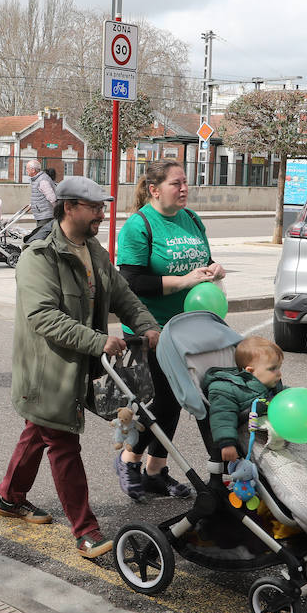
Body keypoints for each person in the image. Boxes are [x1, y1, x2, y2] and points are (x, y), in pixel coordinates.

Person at [0, 176, 160, 560]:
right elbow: (43, 316)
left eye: (103, 207)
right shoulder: (40, 254)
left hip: (78, 365)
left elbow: (121, 292)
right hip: (48, 371)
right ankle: (86, 530)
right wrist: (97, 341)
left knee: (38, 431)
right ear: (69, 207)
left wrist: (148, 325)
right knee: (63, 444)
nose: (102, 215)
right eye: (95, 208)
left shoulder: (92, 248)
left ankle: (10, 497)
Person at [114, 160, 224, 501]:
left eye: (185, 182)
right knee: (160, 403)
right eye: (177, 183)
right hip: (151, 329)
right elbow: (131, 282)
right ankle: (129, 458)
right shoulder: (139, 225)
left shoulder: (191, 219)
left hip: (191, 326)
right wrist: (184, 281)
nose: (184, 188)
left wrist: (212, 270)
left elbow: (200, 261)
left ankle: (155, 471)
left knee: (179, 401)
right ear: (154, 189)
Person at [202, 336, 285, 465]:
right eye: (273, 368)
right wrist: (227, 443)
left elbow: (288, 397)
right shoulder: (226, 389)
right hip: (251, 437)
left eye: (279, 367)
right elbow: (223, 416)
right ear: (251, 371)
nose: (279, 374)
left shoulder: (272, 385)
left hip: (277, 431)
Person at [23, 159, 57, 243]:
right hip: (42, 213)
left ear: (33, 170)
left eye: (27, 168)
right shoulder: (37, 179)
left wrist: (57, 211)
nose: (26, 170)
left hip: (46, 214)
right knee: (42, 236)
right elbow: (40, 196)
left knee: (41, 238)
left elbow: (52, 197)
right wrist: (32, 205)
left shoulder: (42, 180)